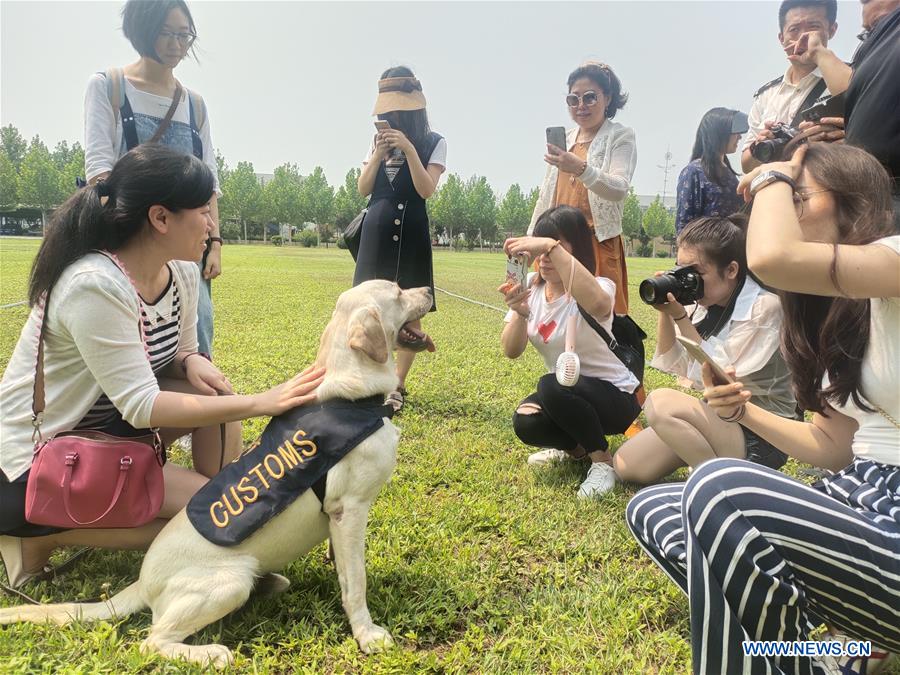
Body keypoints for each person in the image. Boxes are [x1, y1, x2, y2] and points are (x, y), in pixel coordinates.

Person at [627, 142, 900, 674]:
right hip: (855, 496)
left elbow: (773, 257)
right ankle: (833, 654)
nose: (780, 206)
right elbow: (832, 447)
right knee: (656, 508)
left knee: (717, 488)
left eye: (799, 195)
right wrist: (743, 411)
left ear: (851, 204)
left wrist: (771, 171)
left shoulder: (897, 254)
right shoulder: (833, 316)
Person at [0, 146, 324, 590]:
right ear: (160, 218)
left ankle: (218, 544)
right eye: (203, 210)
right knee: (214, 508)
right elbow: (141, 405)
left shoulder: (183, 274)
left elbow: (181, 352)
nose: (212, 224)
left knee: (218, 457)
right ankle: (38, 534)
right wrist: (258, 403)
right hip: (41, 461)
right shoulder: (94, 284)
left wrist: (193, 362)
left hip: (107, 433)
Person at [613, 215, 796, 492]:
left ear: (732, 270)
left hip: (762, 433)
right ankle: (711, 467)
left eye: (696, 272)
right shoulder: (702, 303)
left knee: (660, 403)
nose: (688, 280)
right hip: (720, 422)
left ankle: (720, 488)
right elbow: (671, 361)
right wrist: (667, 311)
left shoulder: (764, 309)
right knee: (628, 465)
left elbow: (718, 376)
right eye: (681, 270)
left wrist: (681, 320)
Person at [83, 0, 221, 355]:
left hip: (186, 247)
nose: (177, 44)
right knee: (130, 344)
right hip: (129, 246)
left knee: (194, 347)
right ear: (142, 30)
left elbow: (209, 183)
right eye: (166, 33)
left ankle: (198, 407)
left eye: (184, 34)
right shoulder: (109, 87)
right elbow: (100, 170)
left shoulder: (196, 105)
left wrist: (214, 242)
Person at [500, 206, 641, 500]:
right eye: (539, 247)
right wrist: (521, 314)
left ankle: (602, 463)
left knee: (550, 385)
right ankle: (577, 450)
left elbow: (601, 306)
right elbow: (511, 350)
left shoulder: (599, 285)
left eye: (553, 247)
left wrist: (548, 245)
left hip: (615, 397)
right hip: (566, 394)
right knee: (526, 420)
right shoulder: (530, 288)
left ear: (575, 249)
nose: (543, 257)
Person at [354, 66, 446, 412]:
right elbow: (364, 188)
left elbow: (427, 189)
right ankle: (370, 379)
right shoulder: (376, 143)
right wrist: (378, 154)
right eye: (386, 112)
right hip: (376, 228)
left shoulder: (435, 142)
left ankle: (397, 384)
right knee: (368, 306)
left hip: (412, 229)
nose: (391, 117)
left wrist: (409, 150)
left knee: (409, 309)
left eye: (397, 111)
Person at [529, 62, 636, 315]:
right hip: (558, 245)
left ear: (607, 98)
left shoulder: (620, 136)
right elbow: (546, 197)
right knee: (555, 315)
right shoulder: (565, 139)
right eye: (573, 98)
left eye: (590, 97)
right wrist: (530, 239)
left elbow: (619, 188)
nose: (581, 105)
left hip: (597, 244)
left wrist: (580, 168)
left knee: (602, 321)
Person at [741, 0, 840, 173]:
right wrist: (760, 146)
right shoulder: (766, 95)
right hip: (777, 194)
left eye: (813, 27)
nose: (803, 38)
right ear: (782, 38)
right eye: (794, 30)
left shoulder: (851, 79)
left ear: (832, 30)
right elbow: (746, 165)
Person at [674, 109, 748, 234]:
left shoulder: (730, 175)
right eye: (734, 132)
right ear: (719, 134)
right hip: (705, 252)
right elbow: (684, 226)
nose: (740, 137)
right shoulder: (694, 172)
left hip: (732, 250)